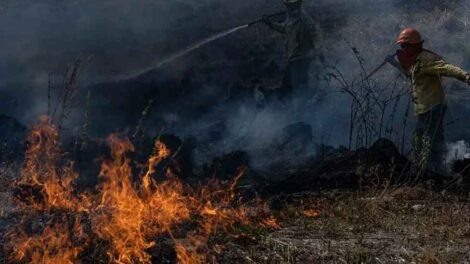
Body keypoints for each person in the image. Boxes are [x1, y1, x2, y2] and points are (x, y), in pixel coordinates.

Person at [387, 28, 470, 172]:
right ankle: (431, 168)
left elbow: (445, 68)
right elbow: (411, 75)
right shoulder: (416, 60)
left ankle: (437, 170)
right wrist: (393, 63)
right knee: (421, 139)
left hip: (433, 107)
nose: (402, 48)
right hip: (424, 108)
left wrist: (465, 75)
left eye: (404, 46)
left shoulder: (426, 58)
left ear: (413, 45)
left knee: (432, 140)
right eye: (401, 46)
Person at [262, 0, 322, 113]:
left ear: (298, 5)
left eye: (291, 5)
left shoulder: (305, 19)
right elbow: (285, 29)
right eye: (288, 6)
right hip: (293, 58)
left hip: (302, 58)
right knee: (289, 84)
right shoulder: (292, 18)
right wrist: (270, 24)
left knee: (299, 87)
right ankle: (297, 108)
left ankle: (302, 112)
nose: (289, 8)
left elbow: (316, 33)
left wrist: (318, 51)